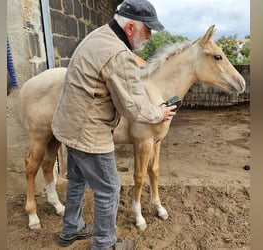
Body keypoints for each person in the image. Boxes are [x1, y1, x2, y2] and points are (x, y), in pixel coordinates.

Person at [51, 0, 177, 249]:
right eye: (148, 30)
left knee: (77, 181)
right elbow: (133, 107)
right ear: (130, 27)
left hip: (68, 124)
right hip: (89, 131)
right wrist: (159, 113)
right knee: (110, 189)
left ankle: (71, 229)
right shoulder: (119, 54)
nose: (150, 37)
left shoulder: (99, 35)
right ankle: (105, 244)